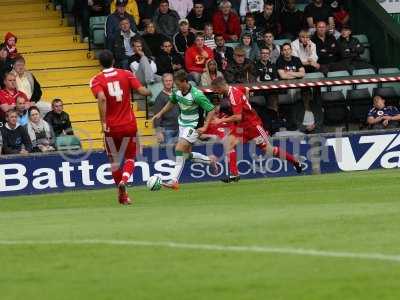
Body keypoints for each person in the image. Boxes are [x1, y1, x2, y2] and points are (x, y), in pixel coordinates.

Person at [210, 77, 303, 182]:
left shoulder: (233, 96)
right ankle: (234, 174)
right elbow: (247, 90)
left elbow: (237, 117)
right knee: (229, 143)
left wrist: (220, 121)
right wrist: (246, 104)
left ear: (220, 86)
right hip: (242, 126)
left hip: (253, 126)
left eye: (216, 90)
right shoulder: (235, 89)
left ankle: (295, 161)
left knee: (269, 150)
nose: (216, 92)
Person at [90, 50, 151, 205]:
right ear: (114, 60)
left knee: (114, 161)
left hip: (112, 127)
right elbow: (142, 91)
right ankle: (125, 181)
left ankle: (123, 194)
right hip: (129, 125)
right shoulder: (126, 73)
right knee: (131, 156)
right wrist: (151, 91)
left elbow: (102, 98)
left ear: (99, 63)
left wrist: (103, 122)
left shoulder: (96, 80)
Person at [151, 70, 218, 190]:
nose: (175, 86)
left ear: (185, 82)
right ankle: (210, 160)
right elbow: (171, 102)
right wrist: (160, 113)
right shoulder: (177, 92)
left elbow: (211, 109)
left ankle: (173, 180)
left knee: (179, 149)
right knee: (186, 155)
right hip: (182, 124)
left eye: (177, 84)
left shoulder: (197, 94)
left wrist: (205, 126)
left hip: (193, 126)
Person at [152, 73, 179, 145]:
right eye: (166, 81)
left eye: (170, 80)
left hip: (179, 127)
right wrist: (158, 132)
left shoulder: (177, 94)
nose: (168, 82)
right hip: (167, 130)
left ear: (173, 81)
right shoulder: (160, 97)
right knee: (168, 152)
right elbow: (157, 115)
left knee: (179, 152)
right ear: (163, 82)